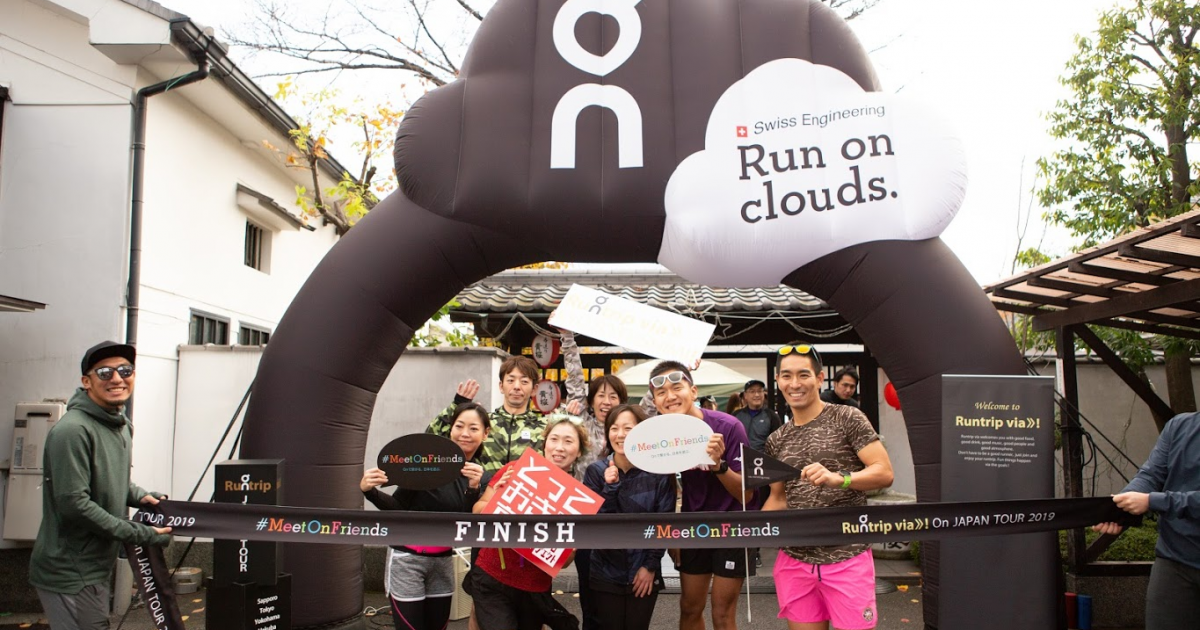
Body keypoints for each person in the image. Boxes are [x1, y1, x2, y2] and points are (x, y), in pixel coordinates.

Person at [29, 341, 173, 630]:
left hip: (96, 564)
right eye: (105, 372)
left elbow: (111, 479)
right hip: (70, 570)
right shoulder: (72, 430)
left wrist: (140, 496)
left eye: (125, 370)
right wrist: (140, 533)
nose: (117, 378)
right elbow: (75, 504)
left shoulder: (120, 424)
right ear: (87, 381)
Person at [762, 345, 893, 630]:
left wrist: (840, 478)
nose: (795, 384)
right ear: (778, 381)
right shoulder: (776, 439)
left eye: (803, 375)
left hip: (847, 555)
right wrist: (747, 529)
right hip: (795, 560)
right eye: (787, 376)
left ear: (820, 379)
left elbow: (884, 472)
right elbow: (778, 499)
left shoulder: (848, 417)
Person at [360, 403, 491, 630]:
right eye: (459, 426)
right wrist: (369, 491)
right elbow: (399, 508)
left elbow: (465, 524)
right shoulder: (427, 462)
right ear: (450, 429)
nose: (465, 434)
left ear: (485, 434)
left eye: (473, 428)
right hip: (407, 560)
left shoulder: (481, 476)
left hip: (442, 563)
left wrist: (473, 488)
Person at [647, 361, 751, 630]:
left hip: (732, 527)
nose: (670, 396)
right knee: (689, 608)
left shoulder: (728, 426)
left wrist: (718, 466)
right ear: (655, 401)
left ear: (693, 391)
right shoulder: (659, 436)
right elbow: (666, 487)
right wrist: (673, 534)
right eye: (661, 392)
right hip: (693, 527)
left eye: (677, 388)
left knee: (723, 613)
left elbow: (747, 495)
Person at [465, 413, 589, 630]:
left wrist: (570, 546)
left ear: (579, 451)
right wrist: (500, 499)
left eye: (568, 441)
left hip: (535, 587)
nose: (559, 447)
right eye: (554, 439)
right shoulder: (515, 470)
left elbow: (565, 561)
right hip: (493, 577)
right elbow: (478, 513)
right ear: (545, 443)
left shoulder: (577, 499)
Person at [1093, 411, 1199, 630]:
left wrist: (1153, 501)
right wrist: (1118, 509)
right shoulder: (1179, 425)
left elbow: (1152, 498)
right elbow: (1150, 475)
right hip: (1174, 562)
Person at [560, 329, 629, 630]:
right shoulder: (582, 424)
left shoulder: (631, 430)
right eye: (601, 395)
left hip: (621, 517)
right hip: (586, 518)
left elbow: (653, 401)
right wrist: (567, 339)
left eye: (613, 396)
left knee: (619, 588)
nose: (606, 401)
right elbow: (575, 380)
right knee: (588, 587)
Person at [582, 404, 675, 630]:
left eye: (628, 428)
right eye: (614, 428)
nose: (620, 435)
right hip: (604, 572)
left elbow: (664, 524)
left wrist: (650, 566)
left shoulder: (659, 473)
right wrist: (610, 487)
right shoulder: (595, 471)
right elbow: (595, 525)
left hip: (644, 571)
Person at [427, 356, 545, 472]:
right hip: (480, 484)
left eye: (524, 382)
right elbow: (431, 439)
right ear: (501, 386)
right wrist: (456, 405)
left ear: (534, 389)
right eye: (510, 380)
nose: (517, 387)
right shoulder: (482, 422)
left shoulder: (544, 428)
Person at [734, 379, 783, 452]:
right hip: (740, 457)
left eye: (759, 391)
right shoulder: (736, 416)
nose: (756, 395)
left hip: (763, 458)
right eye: (752, 391)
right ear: (745, 395)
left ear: (764, 394)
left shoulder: (772, 416)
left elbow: (779, 442)